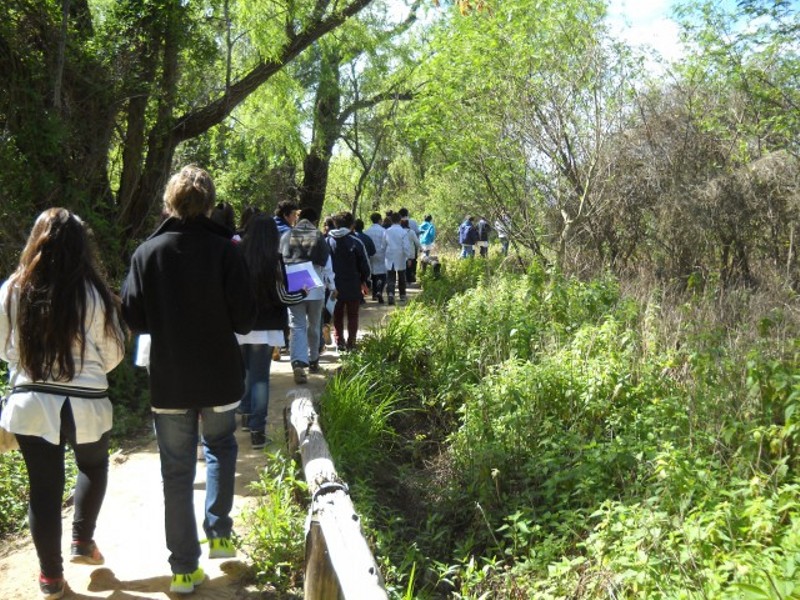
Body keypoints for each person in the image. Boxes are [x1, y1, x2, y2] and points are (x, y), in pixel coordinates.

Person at [121, 165, 257, 595]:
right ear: (211, 205)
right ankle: (218, 531)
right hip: (219, 375)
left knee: (176, 473)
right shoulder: (226, 252)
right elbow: (245, 318)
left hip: (171, 380)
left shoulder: (147, 253)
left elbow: (133, 316)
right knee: (219, 447)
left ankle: (183, 570)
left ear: (169, 203)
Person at [0, 208, 125, 600]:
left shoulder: (12, 288)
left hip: (31, 403)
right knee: (93, 465)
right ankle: (82, 541)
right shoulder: (94, 292)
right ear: (81, 245)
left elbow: (4, 349)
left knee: (43, 488)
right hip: (86, 403)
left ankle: (50, 579)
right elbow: (114, 354)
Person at [238, 214, 307, 447]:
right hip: (265, 326)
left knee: (245, 371)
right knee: (259, 378)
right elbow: (283, 295)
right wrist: (303, 292)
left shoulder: (237, 255)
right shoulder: (272, 259)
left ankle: (246, 415)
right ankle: (258, 430)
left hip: (239, 324)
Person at [280, 207, 336, 383]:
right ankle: (313, 360)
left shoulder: (287, 236)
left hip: (295, 286)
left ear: (298, 219)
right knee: (314, 325)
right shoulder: (319, 236)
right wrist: (332, 285)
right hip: (316, 287)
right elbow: (328, 265)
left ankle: (298, 362)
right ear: (314, 222)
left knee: (297, 325)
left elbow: (280, 261)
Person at [326, 212, 371, 351]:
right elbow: (365, 265)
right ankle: (351, 342)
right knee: (353, 315)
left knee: (337, 314)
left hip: (333, 285)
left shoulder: (327, 241)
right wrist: (364, 280)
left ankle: (339, 342)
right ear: (352, 225)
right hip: (353, 284)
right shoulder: (356, 242)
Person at [384, 211, 412, 305]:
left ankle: (391, 293)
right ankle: (402, 295)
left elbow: (383, 245)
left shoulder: (387, 231)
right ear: (400, 220)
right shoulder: (403, 232)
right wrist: (408, 257)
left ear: (391, 220)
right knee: (401, 276)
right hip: (400, 257)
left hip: (390, 256)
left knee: (390, 277)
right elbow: (406, 246)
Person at [365, 212, 388, 303]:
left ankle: (374, 294)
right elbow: (386, 243)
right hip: (382, 254)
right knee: (382, 275)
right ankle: (379, 291)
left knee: (374, 274)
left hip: (371, 255)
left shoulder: (367, 231)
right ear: (379, 220)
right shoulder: (383, 231)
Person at [401, 218, 422, 285]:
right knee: (410, 267)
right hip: (411, 251)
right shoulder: (411, 232)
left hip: (402, 252)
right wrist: (421, 248)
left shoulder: (400, 231)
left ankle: (404, 279)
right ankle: (409, 280)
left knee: (403, 266)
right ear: (408, 224)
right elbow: (416, 241)